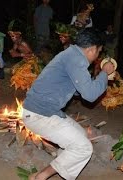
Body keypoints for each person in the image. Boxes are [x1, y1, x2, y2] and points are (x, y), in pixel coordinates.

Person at [22, 28, 115, 180]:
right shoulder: (76, 59)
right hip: (40, 115)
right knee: (83, 147)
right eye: (98, 52)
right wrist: (104, 73)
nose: (98, 56)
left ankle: (56, 167)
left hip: (43, 111)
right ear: (91, 49)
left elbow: (80, 91)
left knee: (81, 135)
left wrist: (101, 79)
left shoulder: (72, 55)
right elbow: (90, 95)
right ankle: (41, 176)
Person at [8, 22, 42, 91]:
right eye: (11, 37)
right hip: (25, 59)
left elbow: (32, 54)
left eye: (13, 36)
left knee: (27, 76)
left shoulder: (23, 43)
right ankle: (28, 90)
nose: (12, 38)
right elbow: (13, 53)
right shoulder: (16, 43)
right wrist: (13, 52)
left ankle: (32, 90)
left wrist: (20, 54)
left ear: (18, 36)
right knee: (14, 71)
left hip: (32, 60)